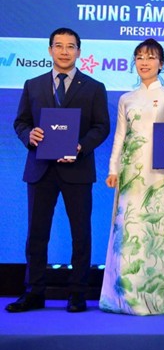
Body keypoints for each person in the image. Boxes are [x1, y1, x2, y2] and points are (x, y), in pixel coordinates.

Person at [7, 27, 110, 313]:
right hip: (40, 169)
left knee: (81, 233)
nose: (65, 51)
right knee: (36, 233)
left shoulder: (94, 87)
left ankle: (78, 293)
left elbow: (102, 126)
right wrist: (29, 135)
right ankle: (33, 292)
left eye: (70, 46)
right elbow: (21, 122)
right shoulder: (33, 84)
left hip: (77, 169)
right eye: (59, 46)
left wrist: (80, 146)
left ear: (79, 51)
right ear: (50, 50)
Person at [99, 38, 164, 315]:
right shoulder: (126, 98)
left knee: (157, 231)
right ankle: (125, 295)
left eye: (150, 57)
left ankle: (159, 297)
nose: (144, 62)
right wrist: (113, 169)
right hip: (131, 173)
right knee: (128, 229)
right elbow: (120, 136)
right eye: (139, 57)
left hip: (160, 172)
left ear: (161, 63)